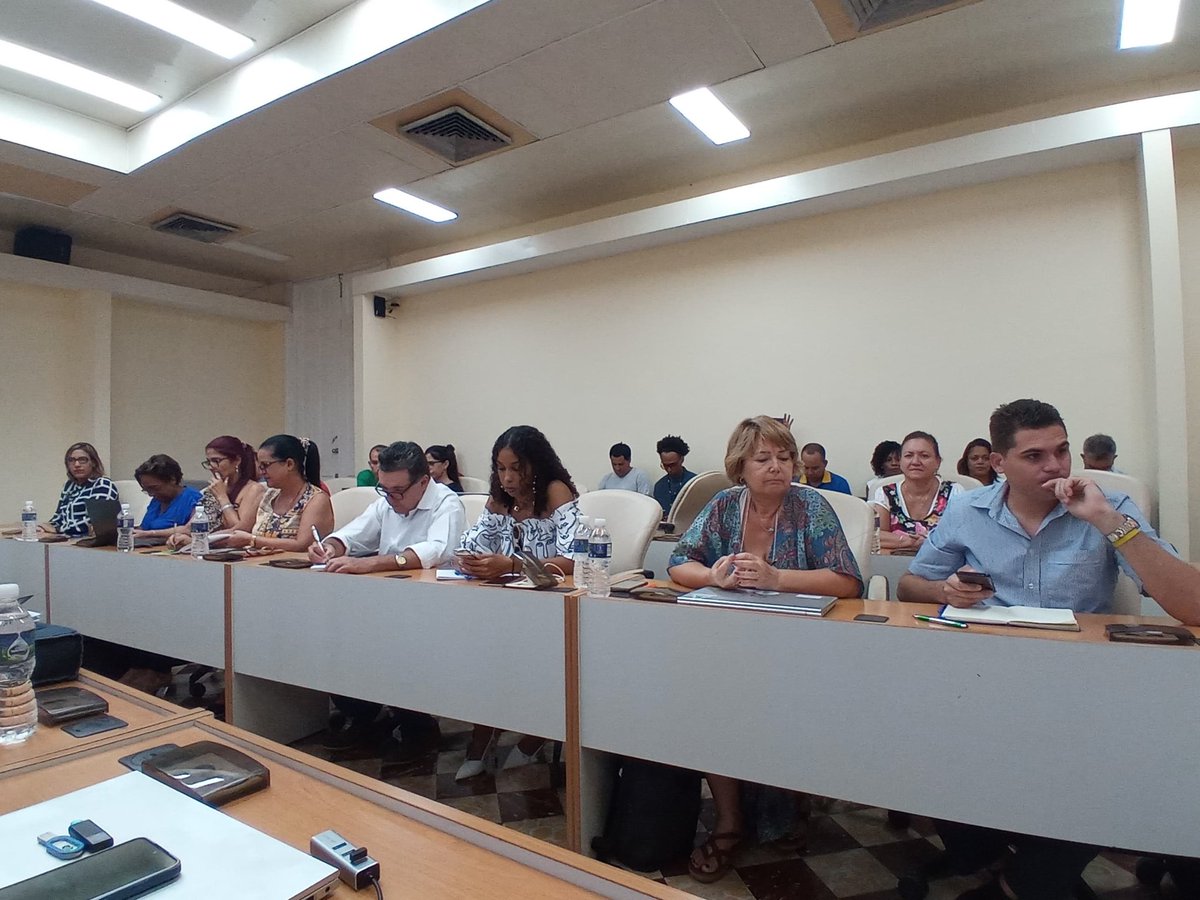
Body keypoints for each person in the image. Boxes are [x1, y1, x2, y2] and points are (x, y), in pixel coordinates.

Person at [898, 399, 1200, 900]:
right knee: (928, 737)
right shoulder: (969, 511)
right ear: (999, 464)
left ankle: (1022, 881)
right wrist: (945, 591)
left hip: (1080, 679)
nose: (1056, 466)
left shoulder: (1109, 507)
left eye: (1061, 451)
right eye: (1035, 456)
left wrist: (1106, 521)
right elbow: (911, 585)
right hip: (989, 675)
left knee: (1120, 766)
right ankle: (993, 850)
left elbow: (1191, 604)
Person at [667, 416, 862, 884]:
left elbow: (848, 581)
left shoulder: (810, 506)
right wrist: (714, 575)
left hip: (799, 649)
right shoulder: (724, 505)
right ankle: (730, 822)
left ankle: (789, 801)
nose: (776, 467)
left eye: (784, 457)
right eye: (763, 458)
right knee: (710, 704)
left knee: (783, 705)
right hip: (732, 642)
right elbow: (678, 564)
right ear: (740, 466)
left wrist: (779, 578)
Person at [308, 441, 466, 750]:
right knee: (329, 637)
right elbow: (354, 533)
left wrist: (372, 562)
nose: (391, 498)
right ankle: (364, 715)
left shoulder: (446, 503)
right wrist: (331, 547)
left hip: (432, 608)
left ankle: (417, 726)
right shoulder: (387, 501)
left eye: (398, 491)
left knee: (393, 647)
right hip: (383, 602)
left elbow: (436, 550)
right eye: (385, 489)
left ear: (424, 482)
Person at [454, 425, 580, 780]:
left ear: (534, 466)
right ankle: (484, 733)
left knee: (528, 662)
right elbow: (476, 540)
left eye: (515, 468)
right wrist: (468, 557)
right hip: (505, 605)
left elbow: (576, 558)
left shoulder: (556, 492)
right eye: (500, 468)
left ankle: (535, 734)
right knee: (482, 657)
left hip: (552, 607)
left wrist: (512, 564)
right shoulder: (499, 498)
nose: (507, 478)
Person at [169, 434, 333, 552]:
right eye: (260, 466)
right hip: (258, 564)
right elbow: (239, 530)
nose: (261, 472)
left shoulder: (316, 499)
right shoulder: (270, 495)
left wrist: (252, 541)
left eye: (266, 465)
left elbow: (301, 545)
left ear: (289, 464)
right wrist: (197, 541)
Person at [871, 431, 962, 552]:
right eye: (908, 456)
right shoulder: (885, 493)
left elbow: (960, 536)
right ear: (901, 461)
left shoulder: (954, 492)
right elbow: (875, 536)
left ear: (938, 462)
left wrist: (927, 543)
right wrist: (907, 541)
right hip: (893, 562)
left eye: (924, 456)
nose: (915, 462)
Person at [40, 442, 118, 537]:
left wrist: (59, 529)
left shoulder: (102, 484)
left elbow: (96, 522)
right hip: (67, 538)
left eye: (82, 460)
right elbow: (58, 517)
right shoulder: (69, 486)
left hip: (88, 540)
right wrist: (43, 527)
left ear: (93, 463)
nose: (76, 464)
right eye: (71, 460)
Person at [198, 435, 266, 533]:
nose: (211, 467)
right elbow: (194, 524)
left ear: (237, 461)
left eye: (216, 461)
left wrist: (222, 498)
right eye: (208, 462)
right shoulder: (212, 489)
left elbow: (239, 530)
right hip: (210, 544)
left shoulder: (254, 489)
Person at [132, 454, 202, 537]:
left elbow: (191, 529)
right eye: (147, 490)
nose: (151, 494)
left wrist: (150, 534)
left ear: (172, 479)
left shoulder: (193, 499)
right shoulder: (157, 500)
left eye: (155, 488)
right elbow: (144, 528)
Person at [653, 434, 698, 515]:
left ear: (681, 459)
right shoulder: (659, 486)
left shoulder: (695, 482)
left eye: (673, 465)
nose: (669, 469)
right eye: (665, 465)